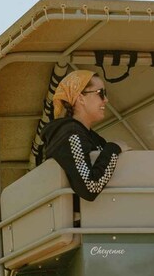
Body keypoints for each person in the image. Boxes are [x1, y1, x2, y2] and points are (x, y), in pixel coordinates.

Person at [40, 70, 122, 201]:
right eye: (101, 93)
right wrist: (115, 148)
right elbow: (90, 187)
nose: (106, 100)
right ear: (80, 98)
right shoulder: (70, 134)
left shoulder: (92, 137)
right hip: (79, 220)